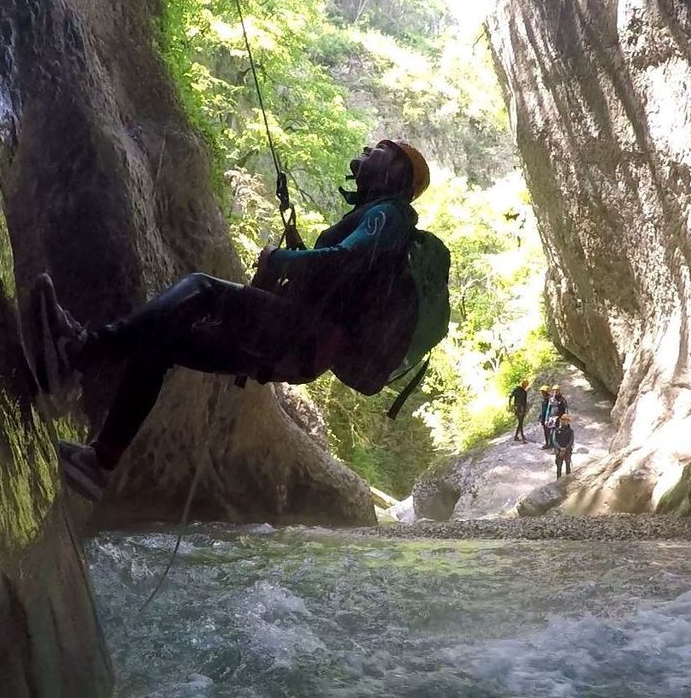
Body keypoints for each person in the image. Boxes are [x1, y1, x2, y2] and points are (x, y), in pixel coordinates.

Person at [33, 139, 432, 501]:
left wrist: (283, 260)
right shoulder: (379, 219)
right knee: (163, 341)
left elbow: (345, 260)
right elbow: (344, 280)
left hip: (300, 335)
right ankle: (100, 463)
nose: (365, 149)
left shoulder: (390, 214)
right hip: (302, 347)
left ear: (397, 171)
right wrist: (299, 260)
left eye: (379, 148)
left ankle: (81, 353)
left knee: (201, 289)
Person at [552, 413, 574, 479]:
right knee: (559, 468)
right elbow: (554, 440)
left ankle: (568, 482)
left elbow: (571, 441)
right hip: (558, 451)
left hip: (567, 451)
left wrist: (565, 448)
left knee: (568, 468)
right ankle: (558, 481)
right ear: (561, 420)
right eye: (563, 420)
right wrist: (559, 448)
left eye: (567, 420)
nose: (565, 422)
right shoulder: (556, 430)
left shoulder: (571, 431)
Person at [508, 379, 529, 443]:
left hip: (521, 408)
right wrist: (510, 406)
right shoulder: (517, 390)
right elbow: (510, 397)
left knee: (520, 422)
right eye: (525, 384)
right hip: (518, 408)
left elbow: (525, 402)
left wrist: (525, 410)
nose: (526, 386)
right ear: (523, 384)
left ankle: (517, 436)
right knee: (520, 422)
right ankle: (522, 437)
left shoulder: (524, 392)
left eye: (526, 385)